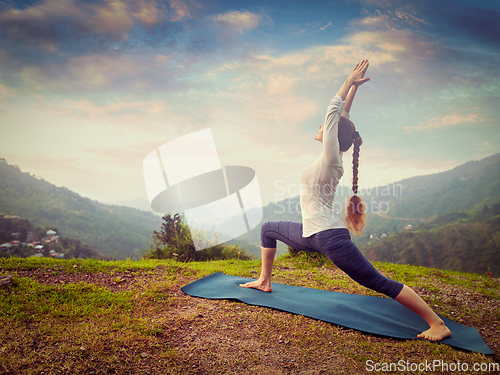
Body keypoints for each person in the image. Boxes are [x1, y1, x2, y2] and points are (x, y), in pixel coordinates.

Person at [239, 60, 451, 342]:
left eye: (325, 127)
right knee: (268, 228)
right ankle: (264, 281)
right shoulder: (332, 153)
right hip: (310, 234)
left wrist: (347, 81)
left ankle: (437, 323)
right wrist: (354, 89)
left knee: (376, 281)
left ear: (331, 135)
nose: (320, 126)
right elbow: (342, 117)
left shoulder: (331, 158)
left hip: (329, 237)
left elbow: (333, 113)